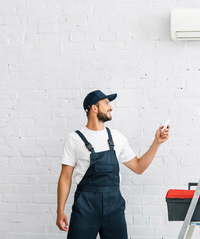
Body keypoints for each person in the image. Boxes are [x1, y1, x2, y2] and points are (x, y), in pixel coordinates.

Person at [56, 90, 170, 239]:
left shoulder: (117, 136)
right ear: (94, 108)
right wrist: (60, 210)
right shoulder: (74, 139)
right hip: (85, 207)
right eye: (106, 103)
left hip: (114, 208)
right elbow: (65, 177)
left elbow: (138, 167)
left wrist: (157, 143)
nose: (111, 107)